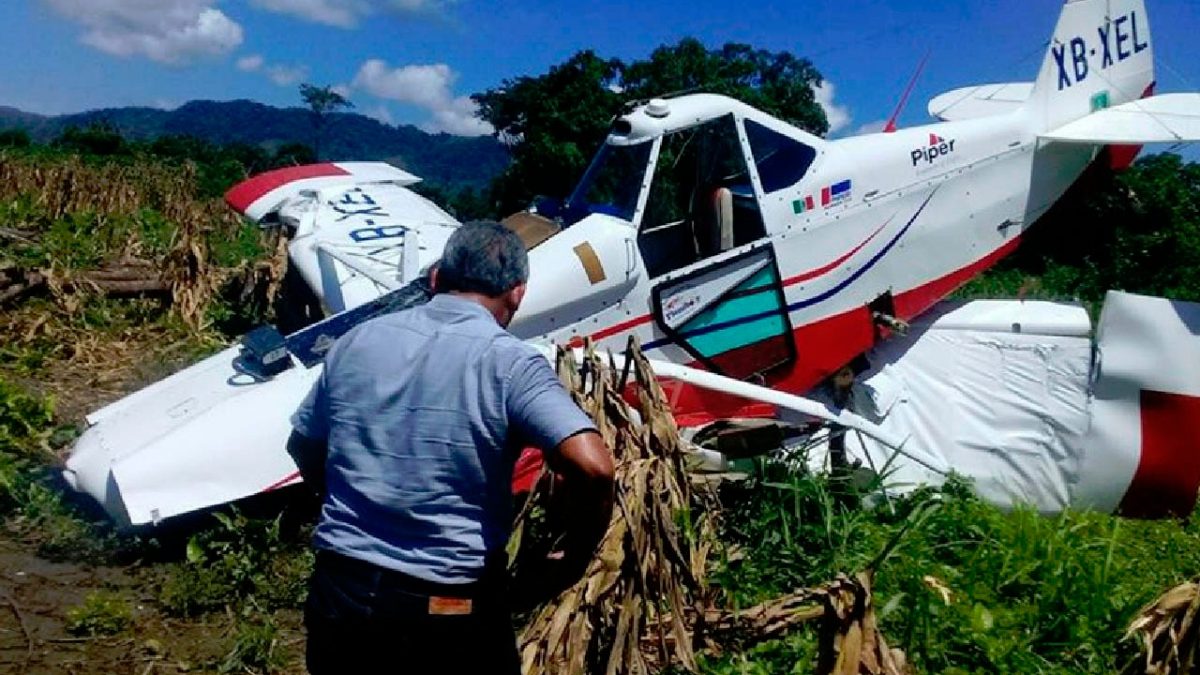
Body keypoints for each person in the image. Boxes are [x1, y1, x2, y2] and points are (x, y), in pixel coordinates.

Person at [286, 220, 615, 674]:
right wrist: (573, 556)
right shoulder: (511, 364)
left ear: (437, 277)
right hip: (447, 605)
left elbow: (303, 444)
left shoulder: (357, 341)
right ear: (517, 293)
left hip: (341, 592)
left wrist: (342, 505)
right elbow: (593, 467)